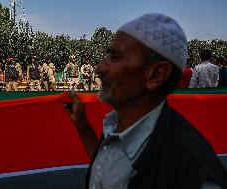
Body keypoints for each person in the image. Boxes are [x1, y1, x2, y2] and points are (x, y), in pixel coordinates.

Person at [64, 13, 227, 189]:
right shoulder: (119, 123)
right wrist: (82, 125)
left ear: (156, 75)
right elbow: (106, 168)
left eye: (115, 57)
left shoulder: (192, 172)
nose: (100, 68)